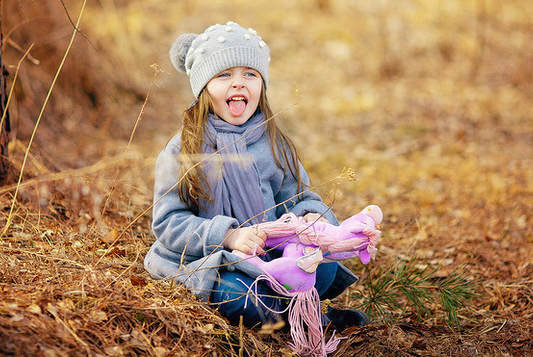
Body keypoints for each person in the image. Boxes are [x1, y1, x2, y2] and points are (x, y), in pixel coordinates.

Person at [144, 21, 367, 331]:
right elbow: (169, 223)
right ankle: (303, 319)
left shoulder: (273, 142)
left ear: (262, 85)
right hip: (216, 260)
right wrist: (230, 236)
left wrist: (313, 222)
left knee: (324, 269)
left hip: (273, 254)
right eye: (224, 75)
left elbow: (301, 198)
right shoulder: (183, 149)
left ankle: (288, 309)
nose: (238, 84)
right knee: (237, 294)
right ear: (204, 86)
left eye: (249, 74)